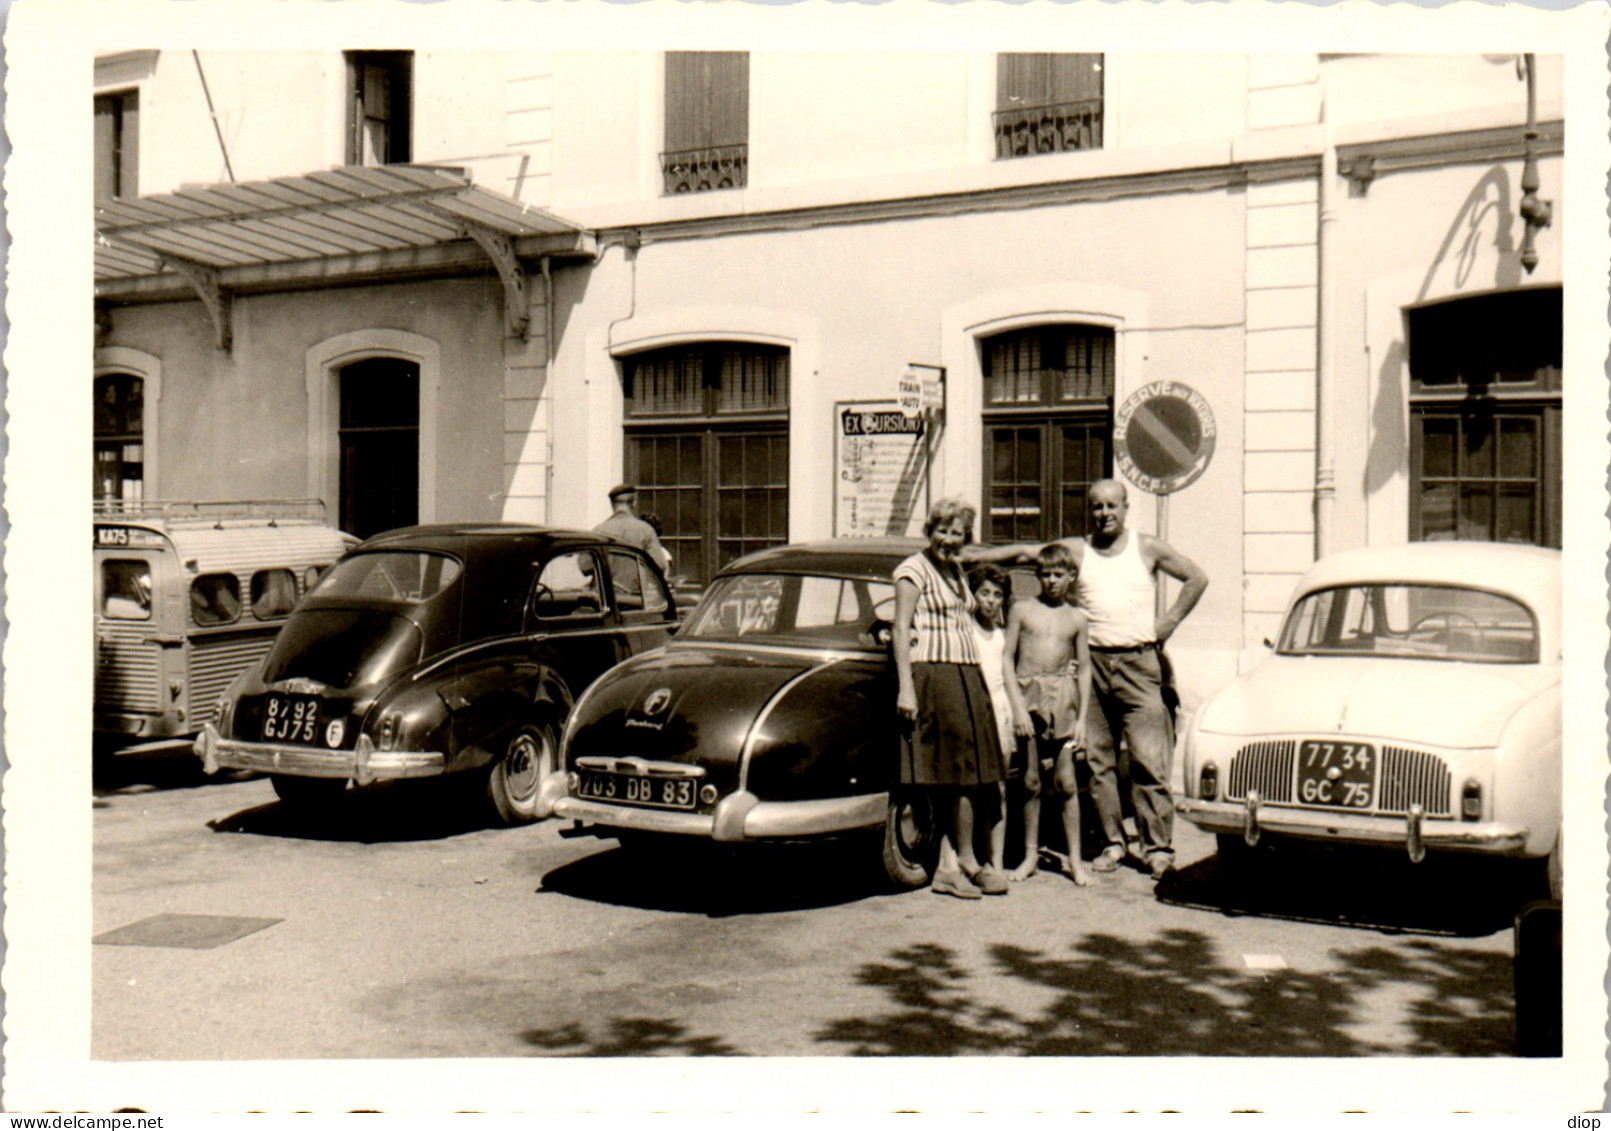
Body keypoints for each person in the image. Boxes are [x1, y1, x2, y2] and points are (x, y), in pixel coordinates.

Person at [970, 478, 1207, 882]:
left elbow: (1196, 577)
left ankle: (1157, 848)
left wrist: (1168, 622)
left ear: (1126, 507)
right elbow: (1028, 552)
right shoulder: (1080, 550)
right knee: (1099, 760)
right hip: (1091, 665)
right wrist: (968, 556)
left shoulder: (1146, 546)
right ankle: (1114, 842)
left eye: (1111, 506)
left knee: (1150, 759)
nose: (1104, 514)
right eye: (1096, 507)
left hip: (1138, 662)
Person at [893, 498, 1009, 899]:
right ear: (929, 530)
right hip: (934, 673)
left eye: (956, 533)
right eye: (942, 530)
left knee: (970, 772)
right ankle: (947, 866)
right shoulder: (913, 570)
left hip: (966, 672)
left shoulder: (958, 570)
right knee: (946, 773)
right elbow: (900, 628)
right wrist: (907, 687)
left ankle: (968, 859)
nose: (948, 539)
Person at [1004, 542, 1093, 885]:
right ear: (1038, 576)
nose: (1052, 581)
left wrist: (1082, 718)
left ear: (1071, 576)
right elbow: (1007, 659)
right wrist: (1017, 707)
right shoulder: (1022, 610)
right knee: (1029, 781)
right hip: (1029, 698)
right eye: (1045, 574)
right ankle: (1030, 856)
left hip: (1063, 701)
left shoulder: (1076, 618)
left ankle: (1075, 860)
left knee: (1067, 783)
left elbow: (1083, 668)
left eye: (1059, 574)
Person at [967, 565, 1034, 888]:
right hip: (973, 712)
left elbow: (1009, 678)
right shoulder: (964, 630)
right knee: (971, 789)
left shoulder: (1002, 635)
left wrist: (1017, 712)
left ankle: (995, 860)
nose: (990, 601)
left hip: (1000, 712)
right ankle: (972, 859)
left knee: (998, 790)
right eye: (984, 593)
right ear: (973, 595)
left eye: (997, 595)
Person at [594, 484, 670, 573]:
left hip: (604, 586)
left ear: (612, 503)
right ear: (634, 502)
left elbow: (584, 567)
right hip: (633, 586)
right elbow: (660, 565)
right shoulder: (645, 530)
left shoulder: (598, 531)